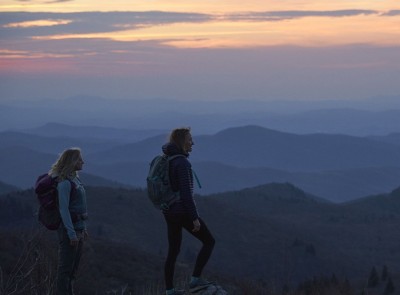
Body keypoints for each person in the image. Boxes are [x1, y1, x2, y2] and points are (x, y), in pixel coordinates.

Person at [162, 127, 215, 295]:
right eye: (190, 139)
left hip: (169, 210)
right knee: (209, 241)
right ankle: (195, 279)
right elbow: (186, 195)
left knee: (173, 250)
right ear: (182, 141)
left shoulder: (168, 158)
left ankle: (170, 290)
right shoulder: (182, 163)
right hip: (182, 211)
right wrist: (195, 218)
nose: (193, 142)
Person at [49, 148, 88, 295]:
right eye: (79, 159)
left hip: (78, 229)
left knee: (73, 271)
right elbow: (64, 210)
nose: (82, 162)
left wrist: (83, 229)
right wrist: (71, 234)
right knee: (65, 270)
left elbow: (77, 207)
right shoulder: (64, 183)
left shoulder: (75, 179)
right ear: (72, 162)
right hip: (69, 231)